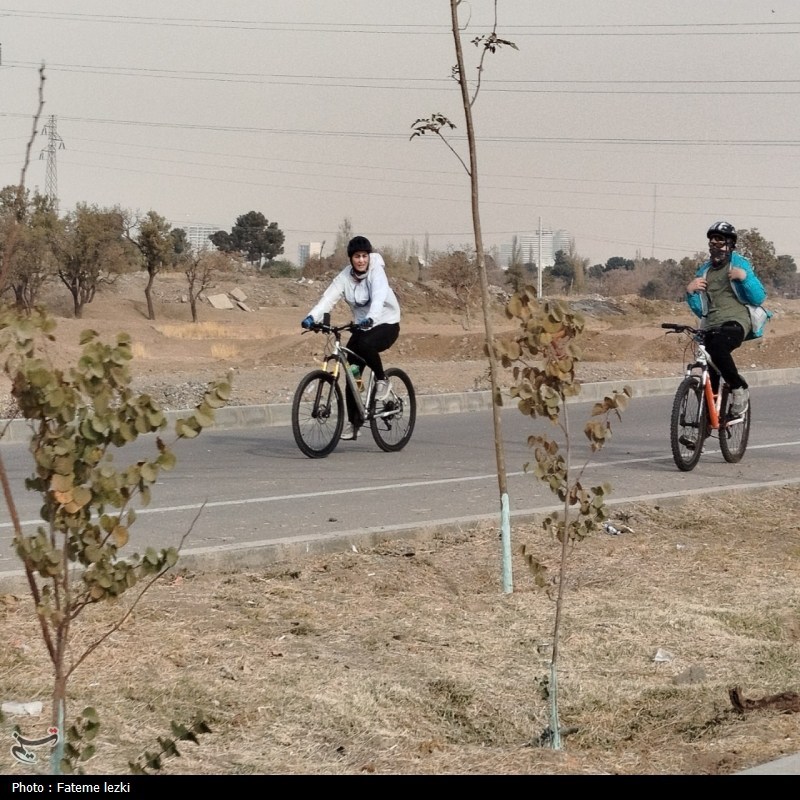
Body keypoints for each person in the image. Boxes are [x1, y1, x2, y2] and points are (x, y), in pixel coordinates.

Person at [301, 235, 401, 440]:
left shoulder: (377, 272)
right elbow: (327, 299)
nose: (361, 260)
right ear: (351, 259)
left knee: (364, 344)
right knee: (351, 372)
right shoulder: (345, 277)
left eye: (364, 256)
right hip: (363, 326)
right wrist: (312, 317)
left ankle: (382, 380)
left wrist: (371, 318)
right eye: (357, 256)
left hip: (387, 323)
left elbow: (379, 298)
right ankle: (355, 421)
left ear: (369, 256)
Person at [685, 220, 767, 417]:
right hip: (711, 324)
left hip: (736, 322)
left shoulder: (739, 264)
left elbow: (759, 297)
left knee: (718, 348)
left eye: (719, 240)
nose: (715, 245)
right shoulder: (704, 271)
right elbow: (701, 309)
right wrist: (690, 292)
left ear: (730, 244)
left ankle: (739, 388)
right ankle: (708, 421)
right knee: (709, 367)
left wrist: (744, 277)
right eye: (712, 241)